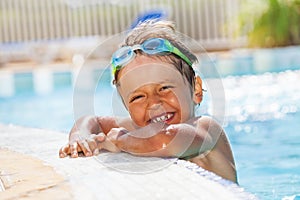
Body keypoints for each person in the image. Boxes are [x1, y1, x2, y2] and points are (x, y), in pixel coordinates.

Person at [59, 20, 237, 183]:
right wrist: (81, 137)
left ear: (196, 90)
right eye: (138, 97)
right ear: (126, 106)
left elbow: (166, 139)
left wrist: (121, 141)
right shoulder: (139, 129)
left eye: (164, 88)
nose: (153, 103)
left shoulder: (207, 129)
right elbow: (93, 121)